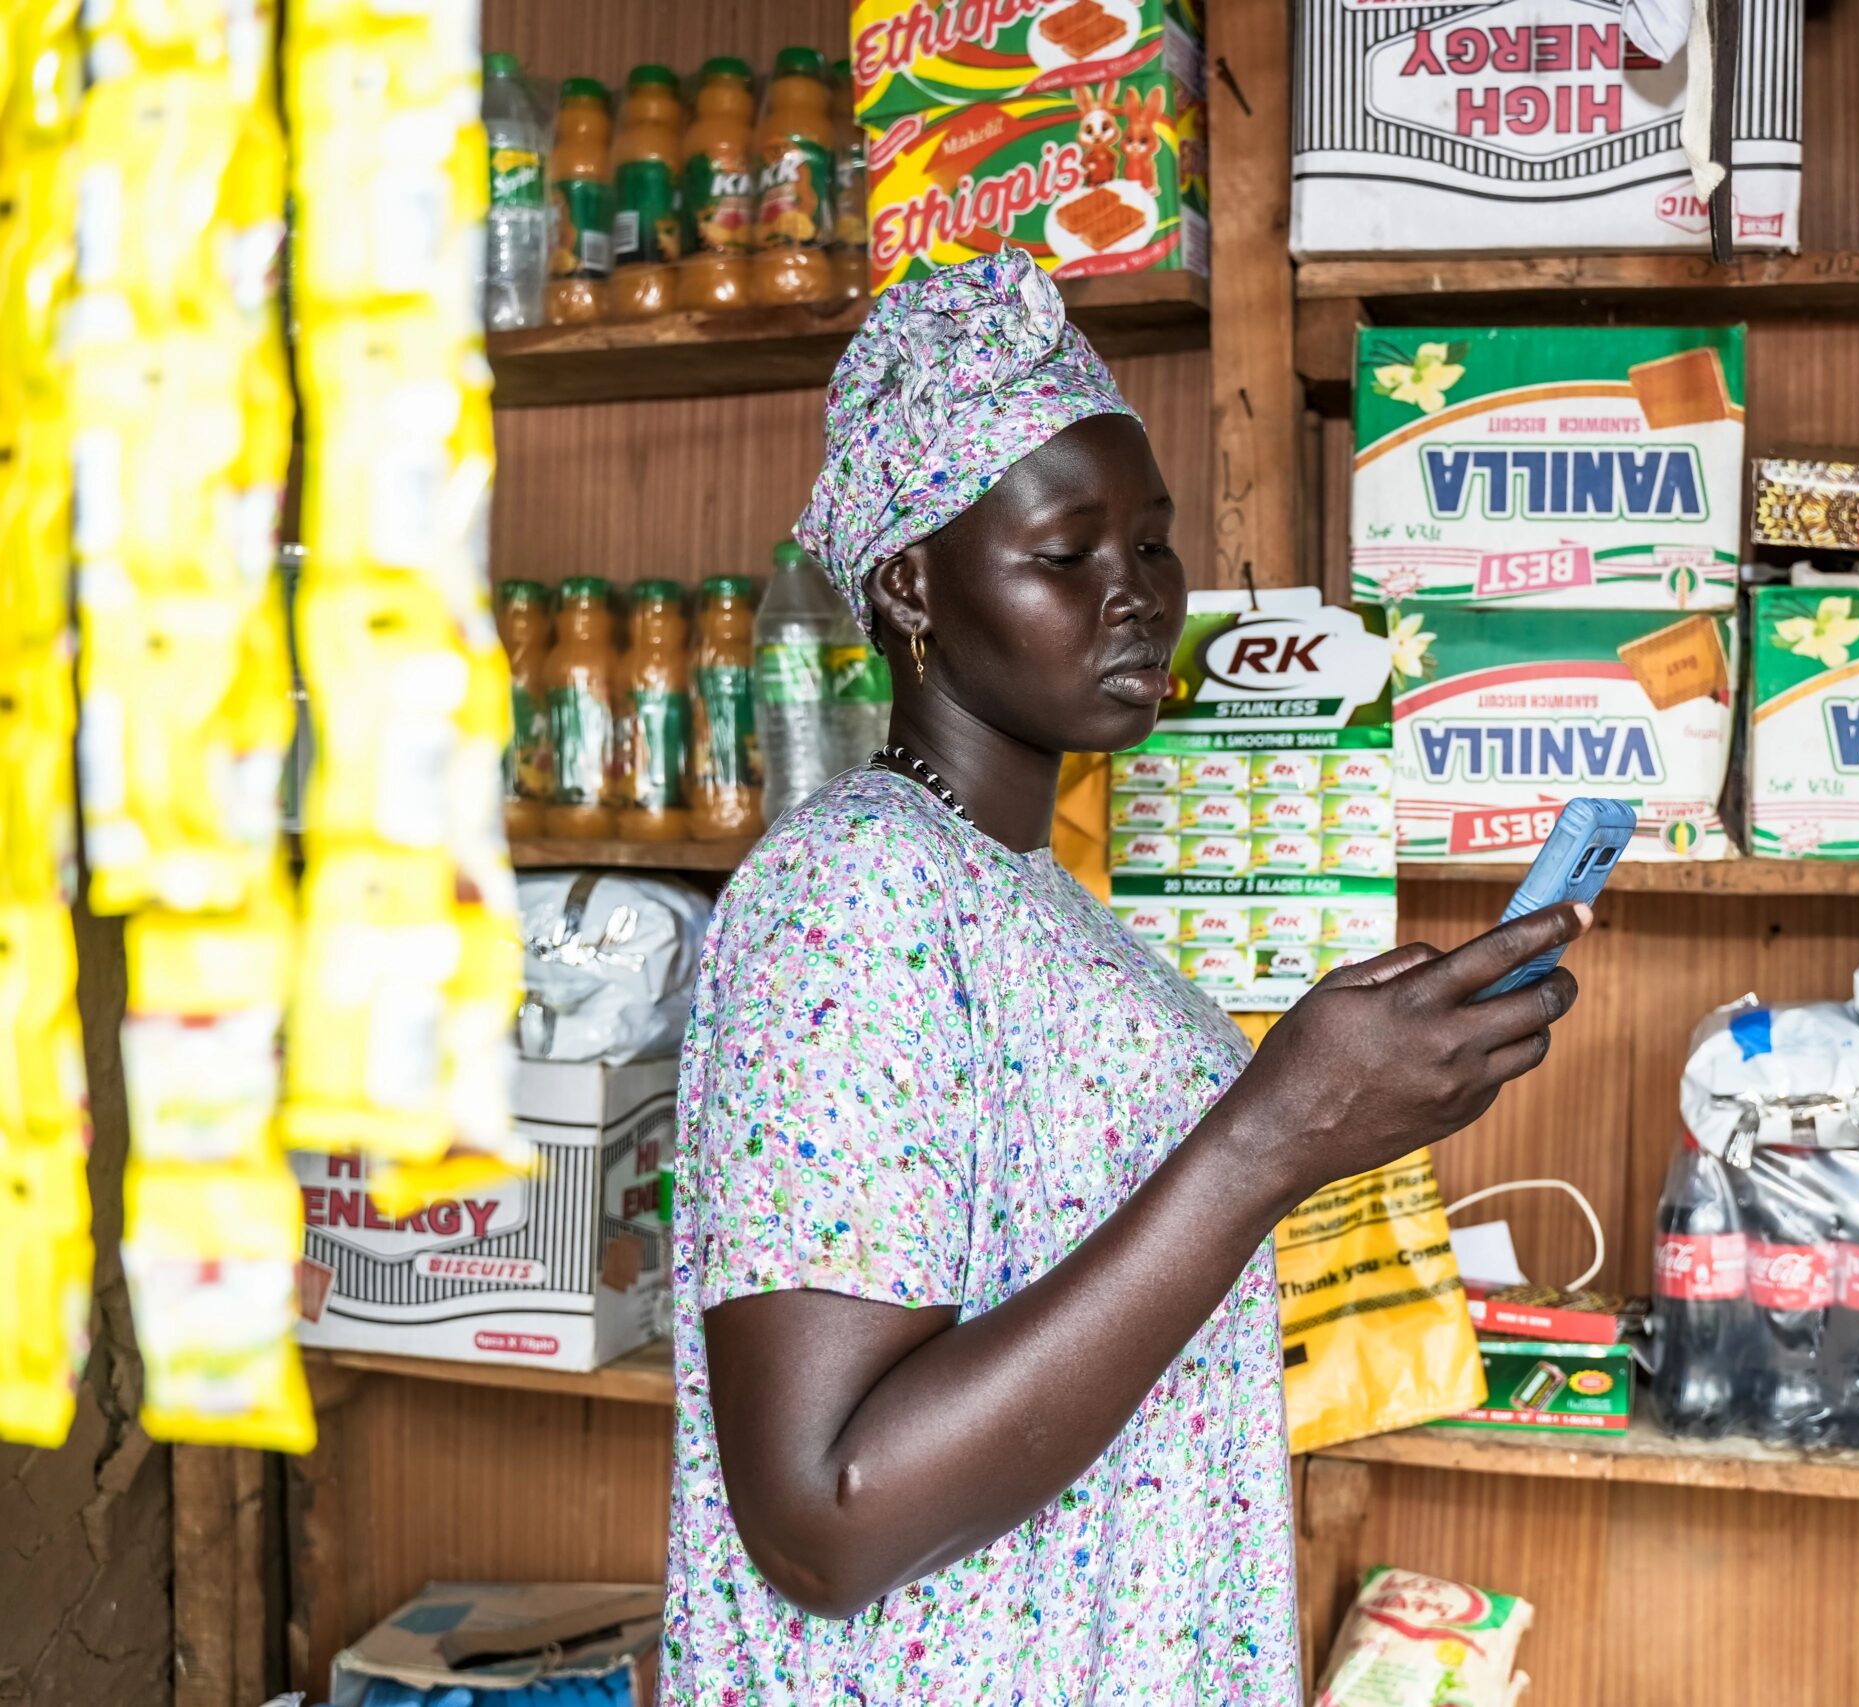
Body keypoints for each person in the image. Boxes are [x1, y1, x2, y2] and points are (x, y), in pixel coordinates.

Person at [660, 249, 1586, 1705]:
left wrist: (1346, 1108)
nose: (1138, 595)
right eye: (1065, 554)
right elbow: (826, 1518)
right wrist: (1269, 1136)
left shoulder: (1049, 908)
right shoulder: (847, 894)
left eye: (1151, 546)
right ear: (911, 580)